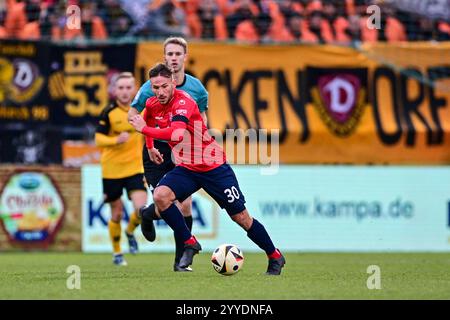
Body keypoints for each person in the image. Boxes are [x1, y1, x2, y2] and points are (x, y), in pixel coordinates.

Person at [129, 63, 286, 275]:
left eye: (164, 86)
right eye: (155, 87)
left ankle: (275, 256)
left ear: (173, 83)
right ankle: (190, 242)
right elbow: (148, 118)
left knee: (241, 218)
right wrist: (149, 147)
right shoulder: (153, 103)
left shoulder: (184, 102)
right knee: (161, 196)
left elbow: (174, 134)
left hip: (214, 167)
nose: (160, 92)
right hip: (188, 168)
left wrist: (144, 130)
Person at [128, 36, 208, 272]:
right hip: (158, 152)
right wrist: (148, 141)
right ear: (165, 58)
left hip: (182, 150)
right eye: (169, 54)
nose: (173, 58)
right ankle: (147, 214)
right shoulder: (150, 88)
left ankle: (181, 262)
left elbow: (201, 118)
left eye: (177, 54)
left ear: (185, 56)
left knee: (185, 206)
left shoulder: (197, 89)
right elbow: (136, 115)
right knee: (167, 203)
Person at [95, 72, 148, 266]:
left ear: (134, 89)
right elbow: (98, 138)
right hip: (112, 170)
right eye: (121, 88)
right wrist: (115, 140)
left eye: (128, 87)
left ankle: (130, 231)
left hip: (135, 168)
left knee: (142, 209)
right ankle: (117, 253)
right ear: (114, 90)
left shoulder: (141, 110)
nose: (125, 92)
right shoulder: (108, 112)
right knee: (116, 214)